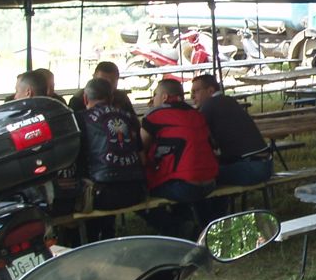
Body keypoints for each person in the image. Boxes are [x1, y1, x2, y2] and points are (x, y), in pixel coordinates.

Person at [140, 78, 219, 238]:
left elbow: (140, 146)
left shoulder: (155, 116)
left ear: (164, 97)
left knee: (137, 194)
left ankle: (177, 229)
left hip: (184, 186)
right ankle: (185, 227)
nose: (152, 99)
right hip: (211, 182)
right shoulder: (197, 114)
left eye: (154, 95)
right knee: (178, 179)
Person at [75, 77, 147, 241]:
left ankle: (88, 244)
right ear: (111, 97)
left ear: (85, 98)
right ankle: (108, 236)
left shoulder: (80, 118)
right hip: (135, 192)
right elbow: (143, 159)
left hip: (100, 196)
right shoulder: (129, 117)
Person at [189, 74, 273, 186]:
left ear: (210, 90)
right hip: (265, 165)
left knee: (199, 178)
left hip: (249, 167)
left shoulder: (209, 106)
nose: (192, 96)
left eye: (196, 91)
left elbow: (194, 137)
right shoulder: (229, 100)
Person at [69, 61, 136, 121]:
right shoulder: (78, 100)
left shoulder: (122, 98)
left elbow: (134, 122)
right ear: (93, 78)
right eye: (102, 81)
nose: (107, 85)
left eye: (112, 81)